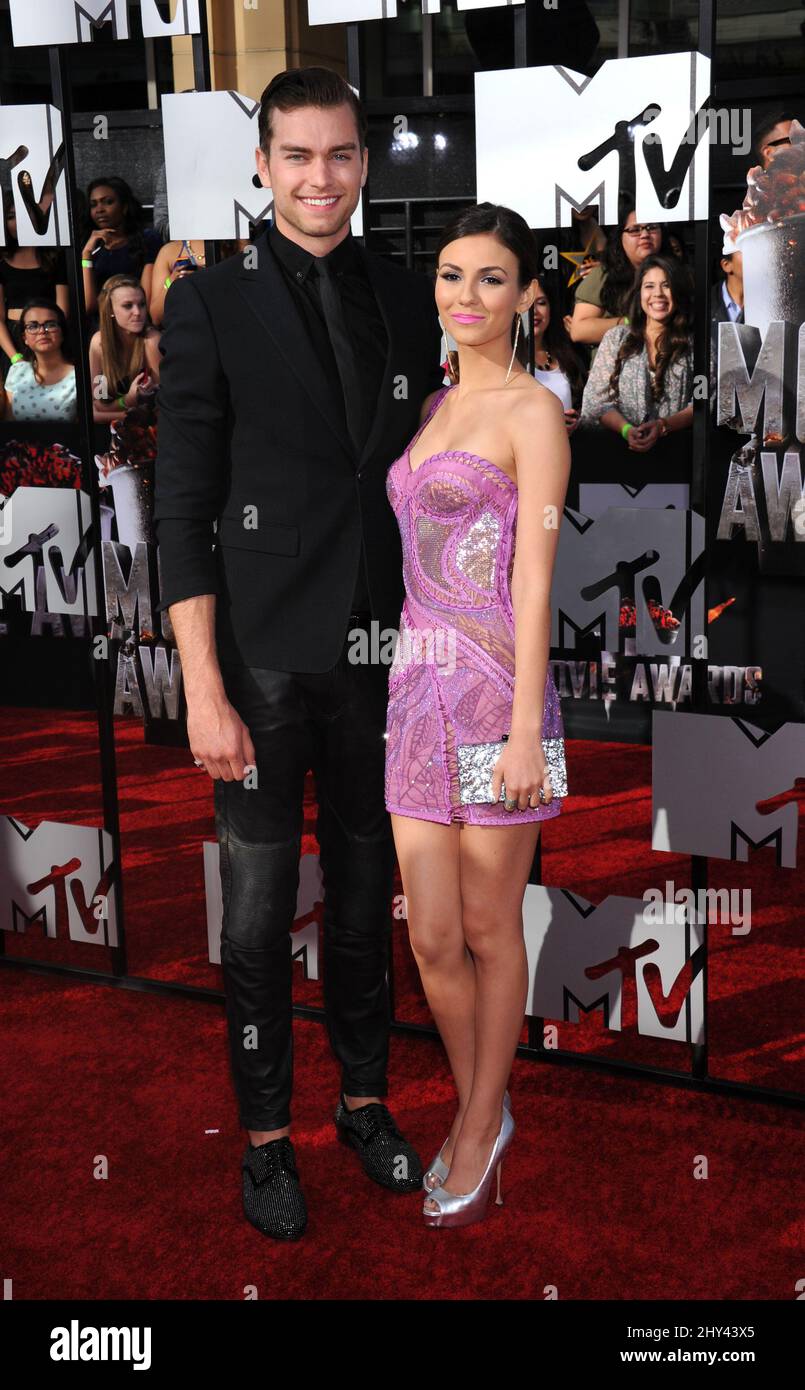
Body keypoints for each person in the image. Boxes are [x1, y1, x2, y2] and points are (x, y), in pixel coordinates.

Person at [153, 66, 444, 1241]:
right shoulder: (208, 303)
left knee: (368, 899)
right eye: (297, 155)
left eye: (340, 154)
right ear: (263, 165)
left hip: (381, 658)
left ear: (363, 162)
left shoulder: (410, 295)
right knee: (257, 916)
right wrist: (202, 686)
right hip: (260, 664)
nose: (320, 177)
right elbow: (181, 505)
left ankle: (363, 1101)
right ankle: (266, 1136)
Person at [384, 203, 570, 1230]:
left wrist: (525, 732)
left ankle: (475, 1124)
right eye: (451, 274)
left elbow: (535, 580)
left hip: (498, 698)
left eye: (490, 277)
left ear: (526, 295)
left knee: (491, 927)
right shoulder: (434, 405)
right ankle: (483, 1110)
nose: (466, 294)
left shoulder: (532, 411)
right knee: (431, 936)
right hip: (414, 695)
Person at [580, 254, 694, 449]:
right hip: (619, 452)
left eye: (666, 286)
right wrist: (626, 430)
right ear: (639, 292)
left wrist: (663, 425)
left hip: (677, 454)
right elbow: (596, 402)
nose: (658, 294)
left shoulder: (695, 343)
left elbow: (704, 403)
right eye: (649, 286)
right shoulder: (616, 338)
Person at [569, 206, 673, 357]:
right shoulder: (604, 274)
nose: (644, 235)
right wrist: (630, 322)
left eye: (651, 228)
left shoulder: (678, 273)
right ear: (620, 238)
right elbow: (579, 330)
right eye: (634, 230)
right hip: (616, 364)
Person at [0, 191, 69, 375]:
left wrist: (49, 340)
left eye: (25, 213)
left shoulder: (55, 257)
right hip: (13, 340)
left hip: (50, 336)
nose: (19, 222)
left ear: (36, 215)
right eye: (11, 217)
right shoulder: (1, 262)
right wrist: (15, 358)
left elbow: (63, 310)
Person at [80, 177, 162, 319]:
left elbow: (145, 300)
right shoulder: (88, 245)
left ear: (124, 207)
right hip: (101, 322)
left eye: (108, 202)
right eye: (93, 204)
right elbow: (88, 305)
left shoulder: (147, 239)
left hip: (137, 317)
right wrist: (86, 255)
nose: (99, 209)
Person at [89, 274, 161, 424]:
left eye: (142, 304)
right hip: (113, 428)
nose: (138, 312)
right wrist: (128, 401)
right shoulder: (99, 343)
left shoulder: (151, 340)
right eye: (128, 306)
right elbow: (97, 405)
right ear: (110, 310)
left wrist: (124, 407)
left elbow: (162, 405)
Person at [0, 299, 76, 422]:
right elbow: (9, 422)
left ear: (62, 332)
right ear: (24, 338)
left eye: (50, 325)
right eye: (32, 326)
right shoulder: (17, 370)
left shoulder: (80, 375)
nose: (41, 331)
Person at [530, 275, 586, 433]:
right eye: (527, 304)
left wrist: (575, 420)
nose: (534, 311)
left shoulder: (568, 354)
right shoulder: (506, 359)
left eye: (541, 303)